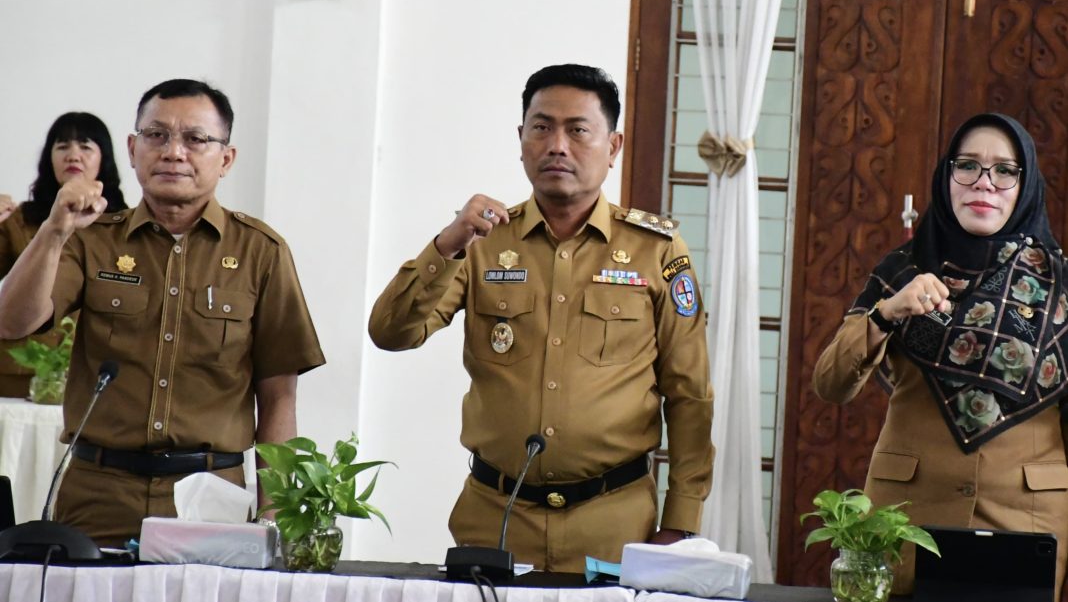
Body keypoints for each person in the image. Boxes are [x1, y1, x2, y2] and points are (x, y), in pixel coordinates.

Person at [368, 64, 714, 571]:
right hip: (496, 517)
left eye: (577, 130)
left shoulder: (655, 250)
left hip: (614, 522)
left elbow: (689, 394)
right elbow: (392, 332)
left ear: (612, 147)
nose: (557, 145)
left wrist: (682, 522)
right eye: (541, 127)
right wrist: (448, 244)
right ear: (521, 139)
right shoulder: (482, 242)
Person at [0, 79, 325, 546]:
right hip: (97, 494)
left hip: (211, 499)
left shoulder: (261, 252)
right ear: (132, 150)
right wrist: (53, 231)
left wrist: (274, 518)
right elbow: (12, 322)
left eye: (195, 139)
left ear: (226, 159)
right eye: (156, 136)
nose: (174, 151)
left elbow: (278, 398)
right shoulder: (90, 239)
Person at [813, 113, 1068, 596]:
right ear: (946, 176)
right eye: (967, 165)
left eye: (1004, 171)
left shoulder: (1059, 284)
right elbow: (830, 383)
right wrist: (887, 312)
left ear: (1025, 182)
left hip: (1027, 525)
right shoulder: (904, 269)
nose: (984, 184)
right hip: (907, 520)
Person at [0, 112, 127, 397]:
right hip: (19, 378)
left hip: (100, 379)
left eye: (85, 146)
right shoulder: (18, 220)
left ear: (103, 158)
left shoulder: (125, 224)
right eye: (62, 146)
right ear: (49, 158)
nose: (73, 155)